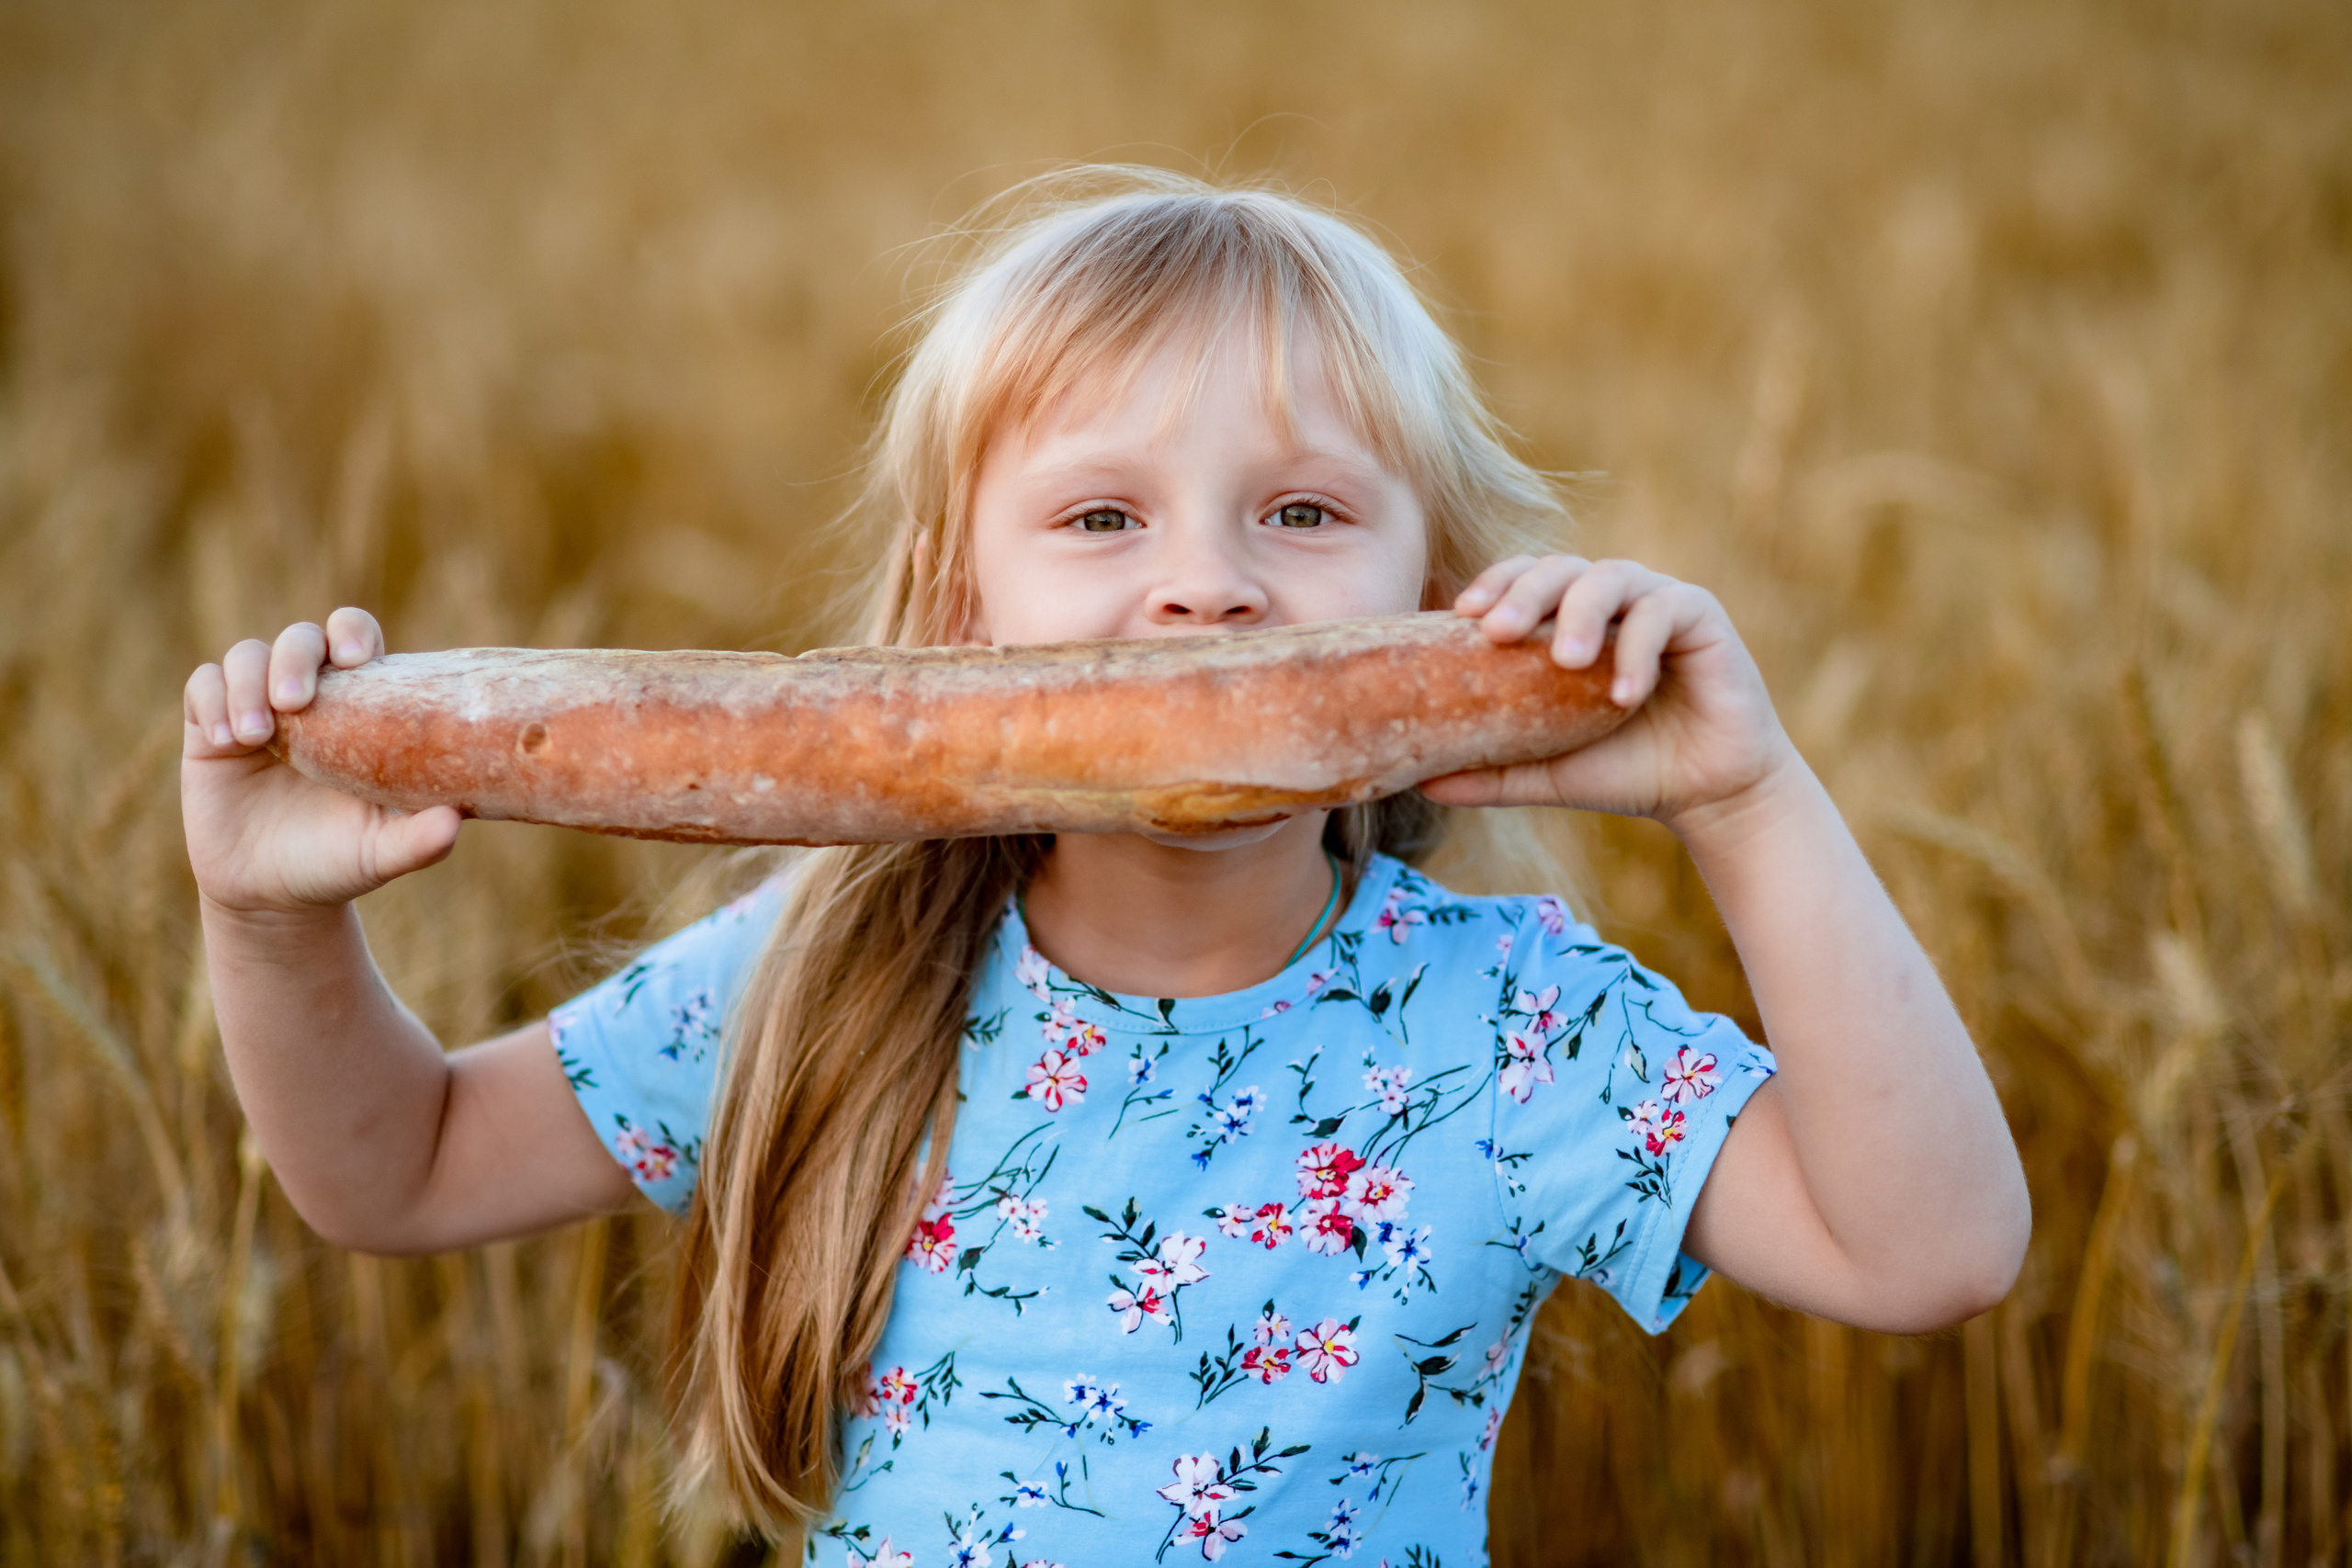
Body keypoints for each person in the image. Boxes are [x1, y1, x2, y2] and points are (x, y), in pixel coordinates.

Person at [180, 169, 2029, 1564]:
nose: (1206, 582)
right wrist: (269, 916)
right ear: (956, 611)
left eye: (1303, 512)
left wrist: (1746, 794)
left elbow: (1928, 1247)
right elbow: (398, 1166)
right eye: (1098, 516)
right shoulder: (829, 967)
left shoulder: (1505, 1025)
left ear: (1437, 599)